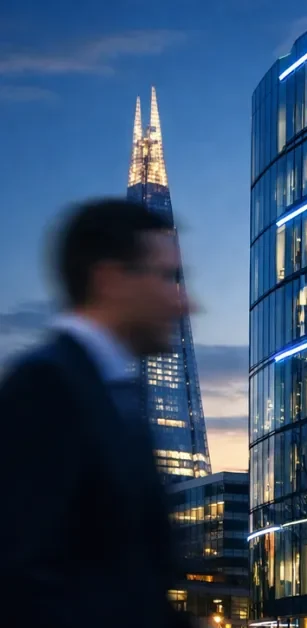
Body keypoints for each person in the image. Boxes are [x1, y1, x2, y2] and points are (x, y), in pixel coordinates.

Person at [0, 199, 191, 627]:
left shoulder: (115, 394)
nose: (183, 303)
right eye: (167, 277)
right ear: (110, 280)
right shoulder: (43, 390)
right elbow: (23, 580)